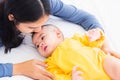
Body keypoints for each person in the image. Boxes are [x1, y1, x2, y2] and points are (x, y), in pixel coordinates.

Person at [0, 0, 111, 79]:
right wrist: (17, 68)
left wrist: (104, 43)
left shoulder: (42, 4)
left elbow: (85, 17)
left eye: (43, 23)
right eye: (32, 27)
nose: (38, 30)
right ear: (12, 17)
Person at [32, 24, 120, 80]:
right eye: (37, 46)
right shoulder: (50, 64)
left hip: (101, 62)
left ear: (58, 33)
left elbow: (92, 41)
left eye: (42, 37)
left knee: (116, 68)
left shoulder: (74, 39)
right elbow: (56, 77)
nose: (41, 44)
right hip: (86, 78)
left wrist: (95, 36)